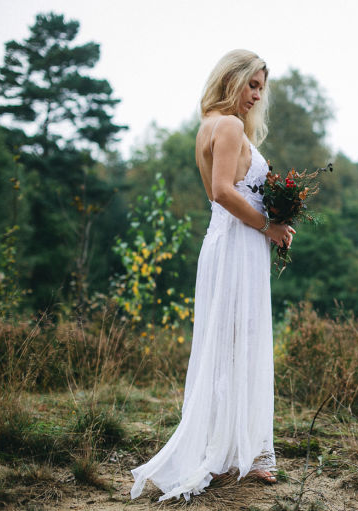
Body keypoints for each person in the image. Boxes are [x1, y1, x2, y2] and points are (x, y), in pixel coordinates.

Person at [130, 49, 294, 502]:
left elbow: (223, 192)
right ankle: (238, 452)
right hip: (237, 245)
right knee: (240, 340)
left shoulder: (209, 126)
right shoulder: (228, 126)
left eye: (262, 87)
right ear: (231, 79)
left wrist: (274, 214)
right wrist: (269, 225)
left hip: (229, 244)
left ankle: (238, 449)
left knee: (231, 341)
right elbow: (222, 192)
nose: (257, 95)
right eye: (252, 84)